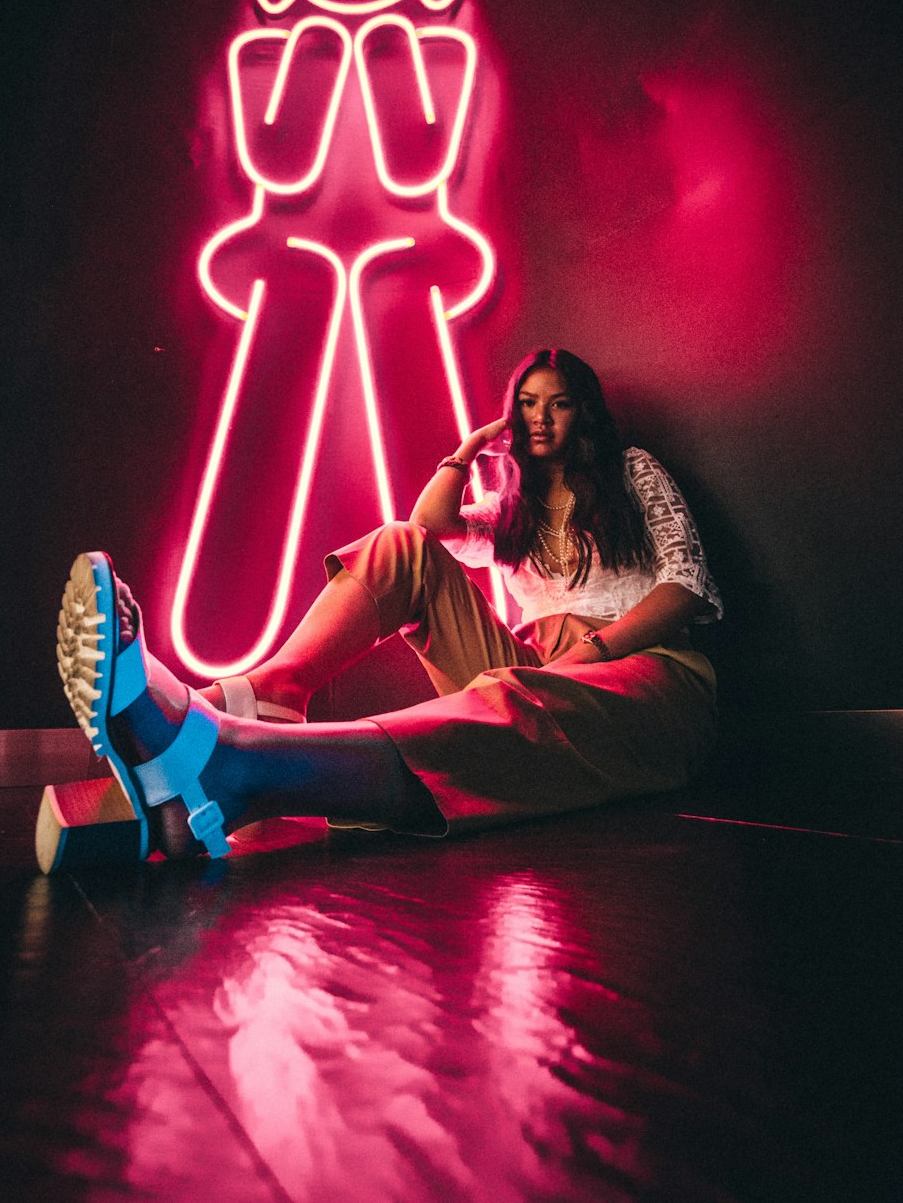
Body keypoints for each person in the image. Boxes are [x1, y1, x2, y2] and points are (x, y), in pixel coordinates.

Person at [44, 348, 721, 869]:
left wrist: (595, 651)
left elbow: (686, 583)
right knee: (403, 546)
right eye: (528, 404)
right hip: (539, 666)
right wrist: (467, 452)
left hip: (644, 676)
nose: (541, 419)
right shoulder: (511, 507)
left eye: (560, 404)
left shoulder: (633, 471)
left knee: (512, 696)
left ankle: (234, 762)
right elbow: (431, 526)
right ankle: (268, 695)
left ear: (587, 413)